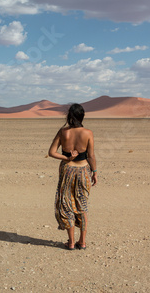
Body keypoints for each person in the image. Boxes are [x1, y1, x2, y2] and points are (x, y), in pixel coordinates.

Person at [48, 103, 97, 250]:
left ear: (69, 116)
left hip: (67, 170)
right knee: (82, 205)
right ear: (82, 116)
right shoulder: (88, 133)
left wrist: (67, 158)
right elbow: (91, 155)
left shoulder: (63, 132)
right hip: (83, 171)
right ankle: (82, 242)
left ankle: (70, 242)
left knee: (67, 204)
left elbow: (51, 152)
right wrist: (94, 172)